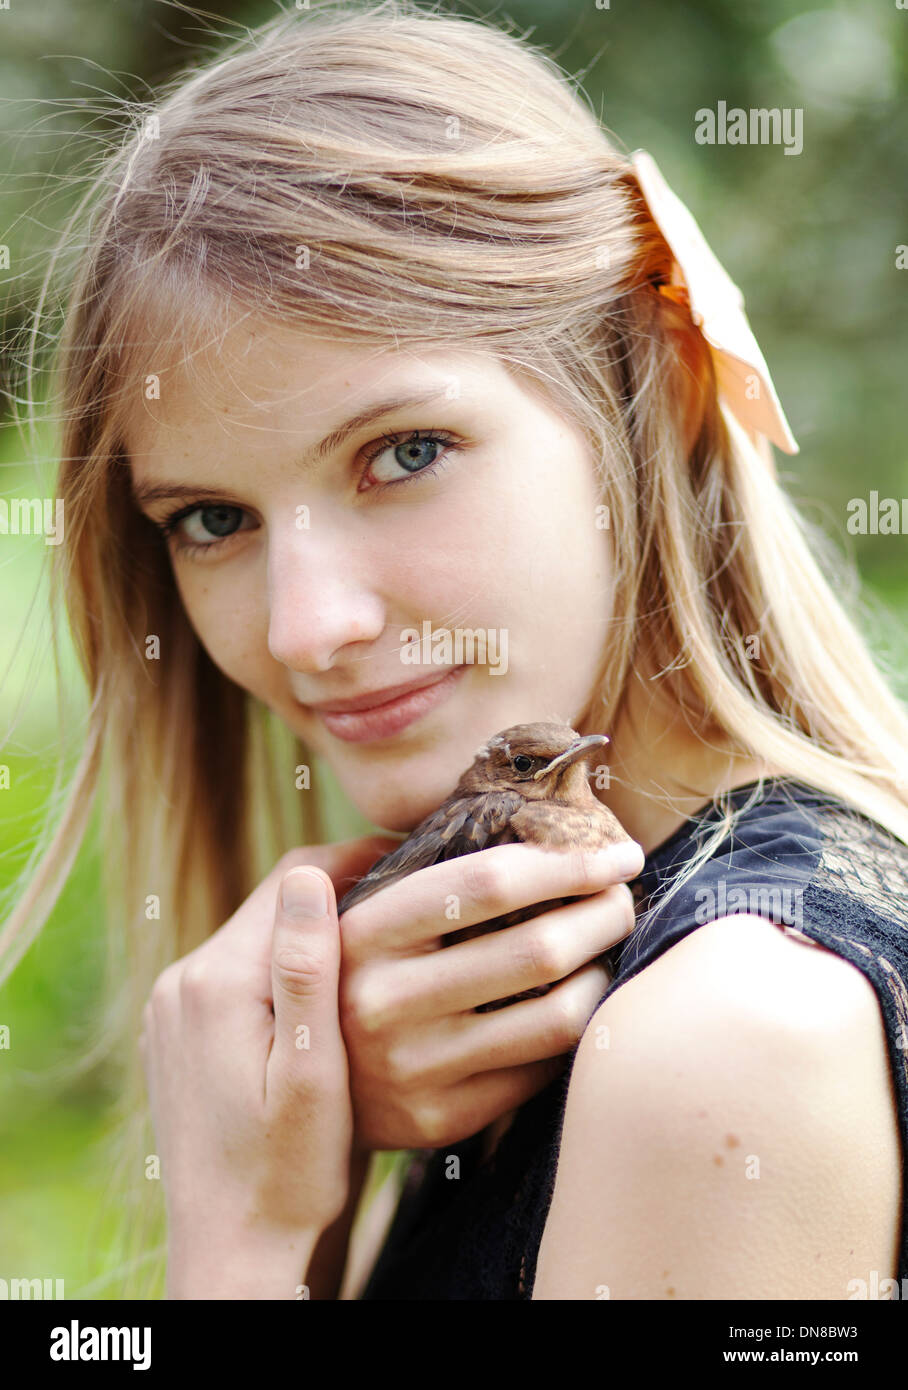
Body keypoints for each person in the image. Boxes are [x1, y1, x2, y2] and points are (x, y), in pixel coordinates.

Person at [4, 0, 907, 1300]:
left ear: (640, 381)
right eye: (211, 519)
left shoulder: (719, 1044)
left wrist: (246, 1238)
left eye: (405, 453)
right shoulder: (546, 1013)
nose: (307, 625)